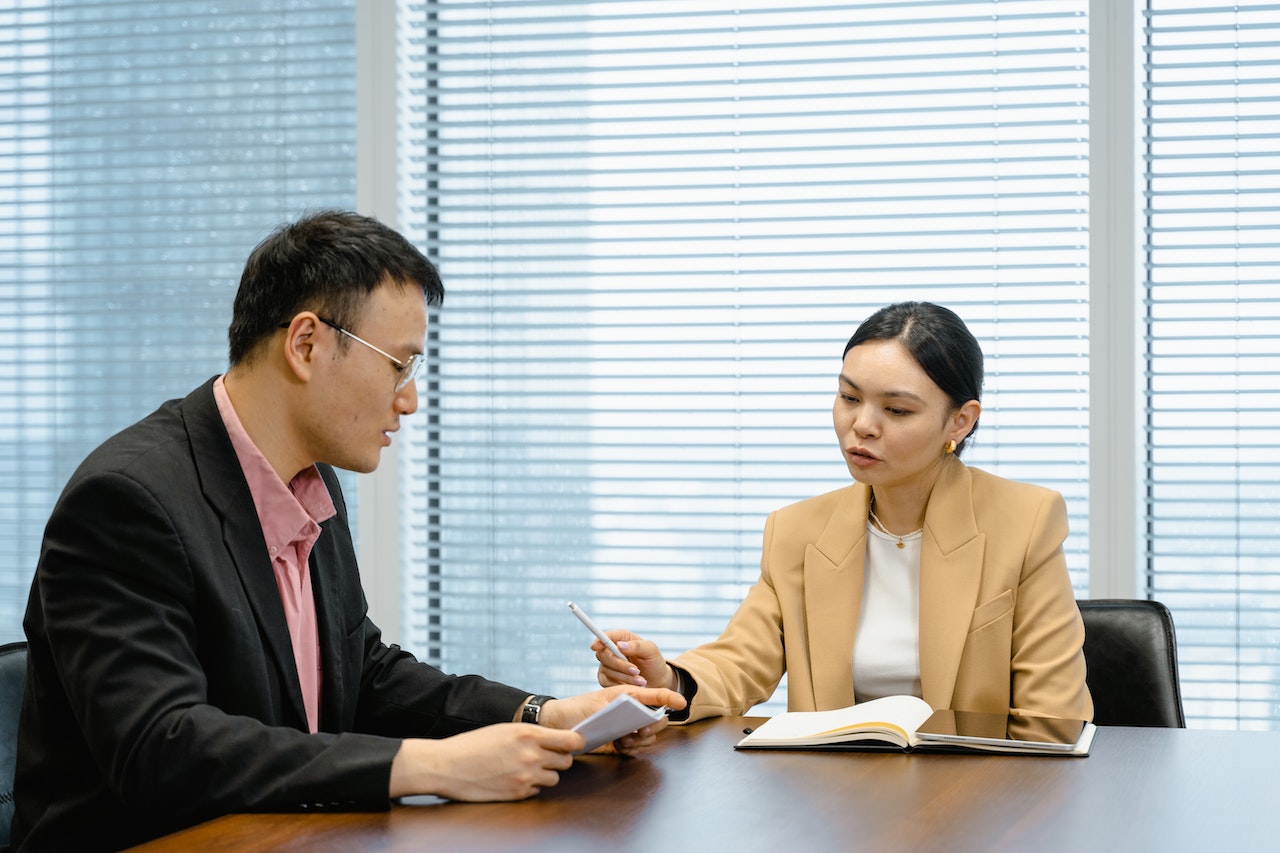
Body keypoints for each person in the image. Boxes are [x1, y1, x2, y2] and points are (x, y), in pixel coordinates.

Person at [13, 210, 682, 852]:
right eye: (400, 364)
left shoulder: (308, 479)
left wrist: (542, 714)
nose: (410, 398)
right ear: (306, 344)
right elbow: (164, 748)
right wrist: (429, 766)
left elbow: (363, 674)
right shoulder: (128, 500)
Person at [593, 301, 1092, 724]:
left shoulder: (1026, 521)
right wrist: (669, 678)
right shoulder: (797, 531)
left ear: (959, 422)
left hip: (980, 810)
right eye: (849, 397)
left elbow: (1056, 720)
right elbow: (740, 661)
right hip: (834, 804)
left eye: (896, 410)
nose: (862, 426)